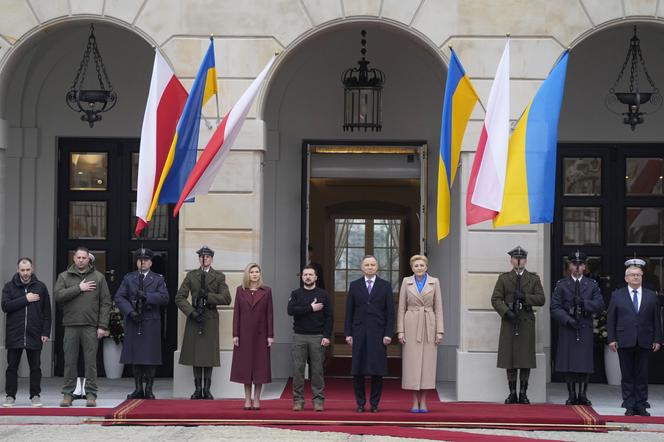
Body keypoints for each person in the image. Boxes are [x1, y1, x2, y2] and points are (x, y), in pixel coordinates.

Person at [54, 246, 111, 407]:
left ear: (89, 259)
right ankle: (68, 394)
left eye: (83, 258)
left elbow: (106, 303)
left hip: (91, 326)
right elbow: (58, 295)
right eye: (78, 257)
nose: (80, 260)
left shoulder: (98, 277)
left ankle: (91, 394)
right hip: (71, 325)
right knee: (70, 361)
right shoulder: (64, 276)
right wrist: (79, 288)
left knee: (90, 362)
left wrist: (102, 326)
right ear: (74, 258)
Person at [607, 259, 662, 416]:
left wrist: (658, 339)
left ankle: (641, 404)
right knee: (627, 374)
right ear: (626, 278)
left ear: (642, 277)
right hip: (625, 339)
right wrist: (612, 338)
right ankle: (629, 404)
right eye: (632, 275)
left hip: (645, 339)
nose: (636, 277)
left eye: (638, 275)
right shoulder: (617, 295)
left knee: (642, 374)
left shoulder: (651, 296)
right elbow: (611, 318)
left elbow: (656, 319)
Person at [491, 246, 545, 404]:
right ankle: (512, 392)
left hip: (526, 322)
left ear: (525, 261)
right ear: (511, 260)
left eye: (521, 258)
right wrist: (506, 312)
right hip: (510, 320)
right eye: (516, 258)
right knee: (510, 358)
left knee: (525, 359)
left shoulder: (533, 279)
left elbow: (541, 299)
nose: (518, 261)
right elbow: (495, 299)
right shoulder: (504, 278)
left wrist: (526, 297)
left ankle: (523, 393)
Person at [175, 245, 231, 399]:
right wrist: (191, 312)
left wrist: (209, 297)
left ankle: (207, 389)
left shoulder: (219, 276)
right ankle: (197, 388)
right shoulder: (191, 276)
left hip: (210, 318)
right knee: (196, 354)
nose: (204, 259)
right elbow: (179, 297)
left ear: (211, 259)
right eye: (201, 256)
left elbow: (227, 298)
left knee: (208, 355)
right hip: (195, 317)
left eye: (207, 256)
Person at [550, 251, 604, 405]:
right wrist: (567, 320)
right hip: (569, 327)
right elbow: (555, 307)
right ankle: (571, 394)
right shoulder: (562, 284)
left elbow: (600, 305)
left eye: (580, 264)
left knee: (584, 363)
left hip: (584, 325)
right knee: (569, 362)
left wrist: (584, 303)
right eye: (575, 264)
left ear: (585, 266)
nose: (578, 267)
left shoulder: (591, 284)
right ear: (569, 266)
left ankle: (583, 394)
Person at [114, 248, 169, 399]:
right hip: (134, 319)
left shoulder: (158, 279)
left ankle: (149, 389)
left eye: (145, 260)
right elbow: (119, 297)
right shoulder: (129, 278)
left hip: (150, 321)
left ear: (151, 262)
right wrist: (130, 311)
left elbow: (165, 298)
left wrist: (147, 297)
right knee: (135, 356)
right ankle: (138, 388)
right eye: (139, 260)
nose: (142, 262)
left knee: (150, 357)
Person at [345, 255, 394, 413]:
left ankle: (374, 404)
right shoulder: (354, 286)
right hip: (359, 332)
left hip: (378, 333)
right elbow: (349, 312)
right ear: (362, 267)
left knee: (377, 370)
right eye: (367, 264)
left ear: (377, 267)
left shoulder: (385, 286)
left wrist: (388, 334)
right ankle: (360, 403)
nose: (370, 267)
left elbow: (390, 313)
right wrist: (348, 333)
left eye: (373, 264)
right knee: (357, 369)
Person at [396, 255, 444, 413]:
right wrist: (401, 330)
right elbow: (402, 307)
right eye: (416, 265)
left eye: (422, 265)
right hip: (411, 324)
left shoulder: (435, 282)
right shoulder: (406, 282)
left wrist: (439, 331)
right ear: (412, 268)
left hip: (429, 325)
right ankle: (414, 401)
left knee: (427, 366)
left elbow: (439, 308)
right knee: (413, 365)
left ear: (426, 266)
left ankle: (424, 401)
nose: (419, 268)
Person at [2, 258, 51, 407]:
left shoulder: (41, 287)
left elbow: (47, 312)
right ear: (17, 270)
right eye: (22, 270)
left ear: (32, 269)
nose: (25, 273)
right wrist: (26, 299)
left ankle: (35, 396)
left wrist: (45, 332)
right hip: (14, 334)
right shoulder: (9, 287)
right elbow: (5, 306)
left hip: (34, 333)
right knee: (12, 367)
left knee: (35, 367)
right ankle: (10, 396)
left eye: (28, 269)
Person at [287, 265, 332, 411]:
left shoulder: (323, 294)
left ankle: (318, 400)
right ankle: (298, 400)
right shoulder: (295, 294)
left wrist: (326, 336)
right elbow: (291, 310)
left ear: (316, 277)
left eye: (310, 274)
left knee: (317, 370)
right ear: (302, 277)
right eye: (305, 274)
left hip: (317, 336)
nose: (308, 277)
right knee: (298, 370)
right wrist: (310, 308)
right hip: (299, 336)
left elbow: (329, 317)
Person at [230, 263, 274, 410]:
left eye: (257, 272)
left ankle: (257, 399)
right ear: (247, 275)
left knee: (260, 368)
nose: (255, 274)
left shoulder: (267, 291)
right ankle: (247, 399)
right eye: (252, 272)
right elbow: (237, 313)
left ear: (260, 274)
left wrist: (270, 335)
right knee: (246, 367)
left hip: (261, 335)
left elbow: (269, 314)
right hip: (244, 334)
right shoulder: (240, 291)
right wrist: (235, 334)